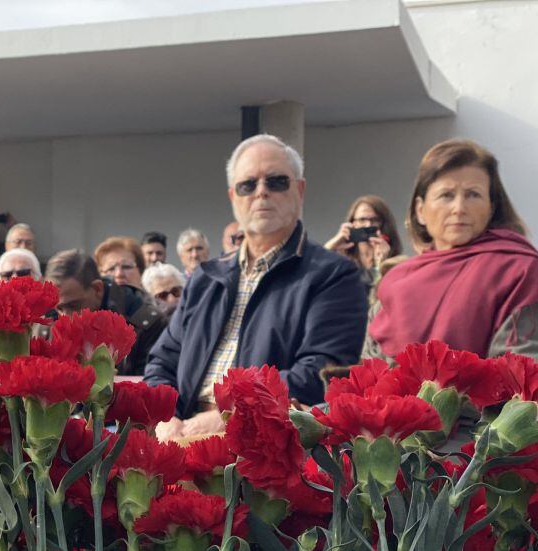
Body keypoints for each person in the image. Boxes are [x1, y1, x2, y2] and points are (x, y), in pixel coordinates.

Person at [145, 134, 367, 440]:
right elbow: (162, 361)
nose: (261, 192)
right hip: (181, 432)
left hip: (265, 445)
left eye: (276, 182)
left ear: (299, 190)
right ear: (233, 197)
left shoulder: (333, 276)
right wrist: (165, 415)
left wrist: (232, 415)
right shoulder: (204, 278)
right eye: (248, 185)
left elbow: (320, 372)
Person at [366, 139, 538, 360]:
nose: (459, 208)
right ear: (420, 210)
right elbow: (370, 370)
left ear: (491, 208)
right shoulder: (395, 282)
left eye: (473, 194)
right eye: (446, 195)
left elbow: (523, 369)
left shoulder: (520, 271)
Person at [45, 249, 165, 377]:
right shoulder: (47, 325)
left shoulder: (147, 325)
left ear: (97, 289)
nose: (65, 317)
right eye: (59, 309)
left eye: (74, 306)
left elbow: (150, 384)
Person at [324, 195, 404, 286]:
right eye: (362, 220)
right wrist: (332, 245)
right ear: (353, 223)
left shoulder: (397, 262)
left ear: (383, 223)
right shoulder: (343, 259)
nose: (368, 225)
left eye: (374, 220)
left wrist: (382, 265)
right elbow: (316, 272)